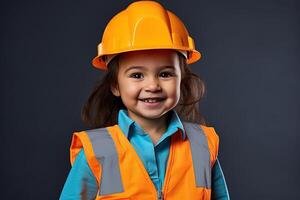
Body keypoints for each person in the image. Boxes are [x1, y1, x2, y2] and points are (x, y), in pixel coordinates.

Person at [60, 1, 230, 199]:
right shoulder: (98, 151)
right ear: (115, 85)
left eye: (165, 74)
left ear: (181, 79)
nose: (153, 86)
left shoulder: (201, 145)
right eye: (137, 75)